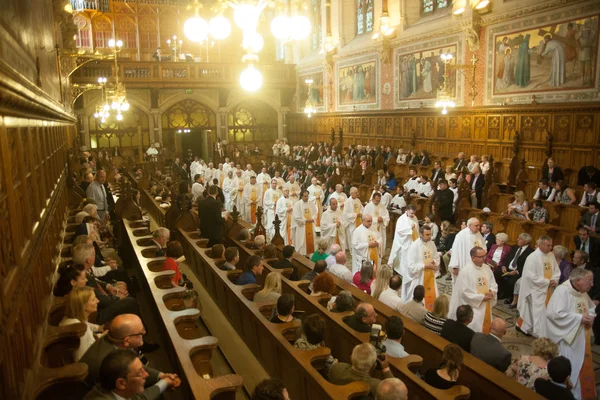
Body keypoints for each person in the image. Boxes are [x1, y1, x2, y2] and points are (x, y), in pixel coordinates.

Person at [80, 314, 175, 389]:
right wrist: (163, 384)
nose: (144, 333)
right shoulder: (113, 363)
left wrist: (161, 376)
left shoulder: (114, 337)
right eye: (141, 332)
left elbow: (138, 368)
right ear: (126, 341)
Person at [546, 268, 596, 400]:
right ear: (578, 281)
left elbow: (590, 308)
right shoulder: (562, 291)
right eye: (589, 281)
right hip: (567, 340)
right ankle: (568, 394)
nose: (592, 284)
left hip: (582, 338)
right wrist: (579, 318)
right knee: (570, 365)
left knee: (582, 365)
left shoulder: (581, 292)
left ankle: (581, 393)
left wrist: (591, 316)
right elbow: (553, 314)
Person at [83, 349, 177, 400]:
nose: (146, 375)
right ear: (121, 383)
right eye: (140, 372)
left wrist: (165, 382)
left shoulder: (113, 389)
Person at [517, 236, 560, 338]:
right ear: (540, 245)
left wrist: (555, 280)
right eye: (548, 245)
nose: (550, 247)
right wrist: (547, 282)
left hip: (549, 289)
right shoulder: (533, 257)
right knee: (536, 313)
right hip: (535, 290)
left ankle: (543, 331)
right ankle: (535, 331)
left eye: (551, 245)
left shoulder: (551, 255)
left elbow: (556, 270)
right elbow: (530, 276)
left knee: (546, 312)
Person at [448, 247, 497, 333]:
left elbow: (493, 283)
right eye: (481, 256)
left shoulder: (487, 268)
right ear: (473, 258)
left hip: (486, 303)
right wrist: (481, 298)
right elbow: (464, 292)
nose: (484, 258)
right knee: (475, 328)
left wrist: (492, 291)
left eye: (484, 255)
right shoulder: (466, 271)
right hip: (474, 306)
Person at [329, 343, 394, 398]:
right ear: (374, 366)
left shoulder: (336, 368)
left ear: (351, 357)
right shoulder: (376, 386)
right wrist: (386, 369)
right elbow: (395, 393)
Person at [59, 286, 104, 361]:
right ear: (83, 306)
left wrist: (100, 331)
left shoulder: (74, 318)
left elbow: (89, 338)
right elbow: (82, 359)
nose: (98, 301)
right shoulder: (80, 329)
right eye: (93, 299)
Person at [405, 225, 440, 306]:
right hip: (419, 277)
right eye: (427, 235)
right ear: (421, 234)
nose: (429, 237)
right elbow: (411, 265)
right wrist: (424, 266)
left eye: (430, 234)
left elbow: (436, 257)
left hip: (430, 275)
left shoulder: (432, 244)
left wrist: (434, 262)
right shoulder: (414, 246)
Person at [495, 232, 534, 301]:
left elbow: (527, 266)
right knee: (496, 273)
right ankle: (499, 292)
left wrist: (516, 271)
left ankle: (510, 297)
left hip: (517, 272)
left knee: (512, 280)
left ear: (525, 241)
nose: (517, 239)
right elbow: (507, 258)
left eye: (519, 239)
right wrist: (503, 266)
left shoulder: (530, 252)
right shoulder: (515, 247)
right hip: (507, 268)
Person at [447, 218, 485, 283]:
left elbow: (483, 247)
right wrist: (455, 266)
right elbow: (455, 251)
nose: (479, 227)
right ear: (469, 226)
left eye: (479, 225)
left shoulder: (478, 234)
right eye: (476, 225)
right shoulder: (461, 235)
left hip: (476, 264)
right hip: (464, 264)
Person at [388, 205, 419, 276]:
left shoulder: (415, 218)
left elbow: (417, 229)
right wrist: (410, 228)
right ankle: (398, 272)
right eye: (411, 213)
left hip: (412, 241)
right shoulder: (401, 219)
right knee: (402, 258)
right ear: (407, 210)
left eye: (414, 213)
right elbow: (400, 231)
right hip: (403, 242)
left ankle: (407, 273)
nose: (413, 215)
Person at [292, 190, 317, 256]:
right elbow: (296, 216)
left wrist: (312, 218)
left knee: (310, 241)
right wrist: (305, 220)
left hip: (310, 226)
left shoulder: (311, 203)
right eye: (305, 196)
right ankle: (302, 254)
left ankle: (310, 255)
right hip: (302, 227)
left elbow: (315, 213)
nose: (306, 198)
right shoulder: (297, 204)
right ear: (301, 196)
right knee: (302, 241)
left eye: (307, 196)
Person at [343, 187, 364, 253]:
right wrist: (355, 215)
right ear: (351, 193)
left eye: (357, 192)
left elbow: (362, 208)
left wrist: (361, 213)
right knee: (352, 236)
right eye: (356, 193)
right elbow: (346, 214)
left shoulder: (358, 200)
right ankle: (353, 250)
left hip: (359, 221)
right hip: (352, 223)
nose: (357, 194)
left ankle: (359, 249)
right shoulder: (347, 202)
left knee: (360, 235)